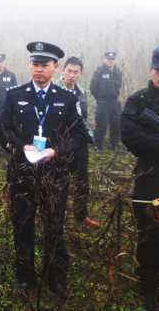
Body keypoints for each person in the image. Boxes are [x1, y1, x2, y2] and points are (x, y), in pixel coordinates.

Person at [0, 42, 89, 298]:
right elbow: (2, 129)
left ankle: (54, 276)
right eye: (35, 64)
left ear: (55, 67)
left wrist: (56, 151)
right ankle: (25, 276)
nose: (38, 70)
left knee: (54, 226)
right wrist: (21, 146)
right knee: (22, 224)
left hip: (54, 174)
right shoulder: (14, 95)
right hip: (22, 172)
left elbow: (80, 135)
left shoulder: (67, 98)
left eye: (44, 65)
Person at [121, 47, 159, 311]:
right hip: (150, 177)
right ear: (150, 70)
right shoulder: (137, 101)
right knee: (149, 233)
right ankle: (147, 285)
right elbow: (130, 136)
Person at [57, 56, 99, 228]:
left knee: (82, 180)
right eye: (69, 71)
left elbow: (84, 116)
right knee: (60, 181)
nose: (72, 75)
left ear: (80, 74)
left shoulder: (82, 92)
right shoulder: (54, 90)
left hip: (79, 142)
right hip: (60, 142)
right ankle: (57, 215)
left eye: (76, 72)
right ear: (63, 71)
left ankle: (81, 216)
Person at [90, 51, 123, 151]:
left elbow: (119, 86)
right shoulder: (99, 72)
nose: (110, 61)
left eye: (112, 60)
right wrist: (99, 98)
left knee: (116, 124)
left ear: (115, 60)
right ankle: (98, 145)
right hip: (103, 102)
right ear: (104, 59)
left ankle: (114, 144)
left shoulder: (118, 72)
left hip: (114, 102)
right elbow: (93, 87)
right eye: (108, 59)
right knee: (101, 124)